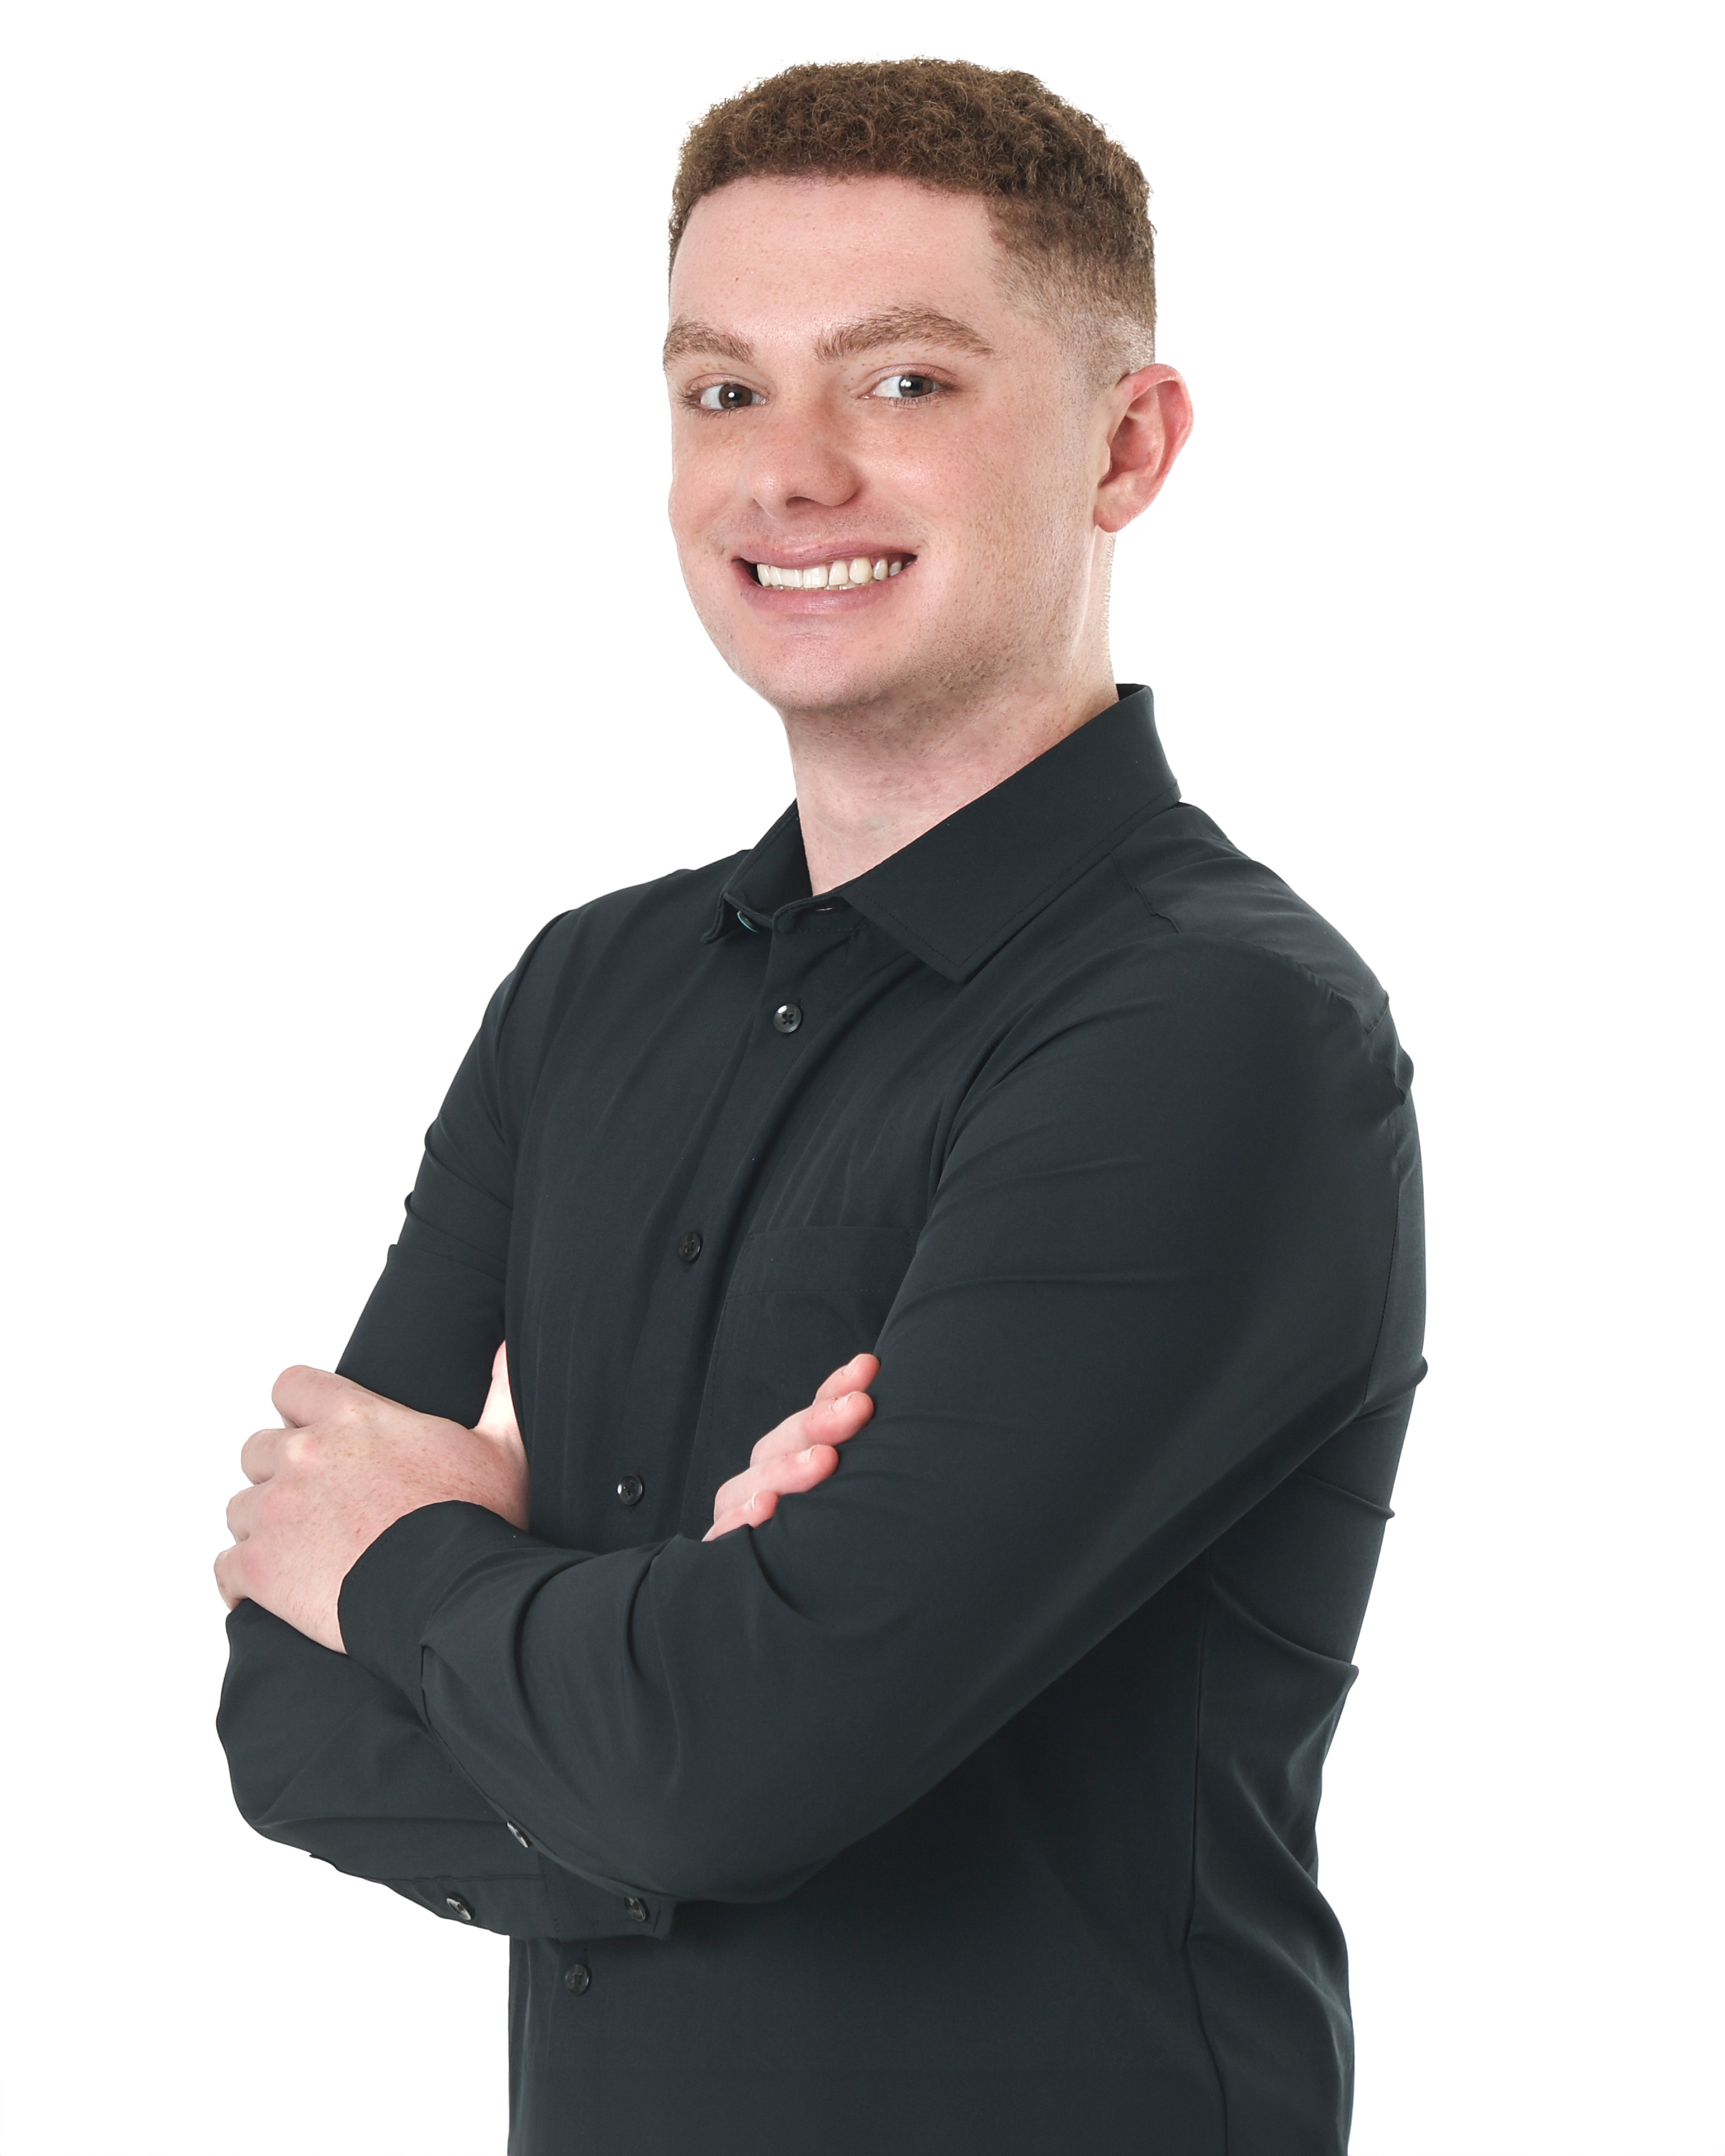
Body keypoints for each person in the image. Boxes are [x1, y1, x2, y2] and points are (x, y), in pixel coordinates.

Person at [216, 56, 1425, 2156]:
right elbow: (291, 1728)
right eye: (722, 391)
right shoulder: (586, 992)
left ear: (1126, 443)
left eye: (904, 383)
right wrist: (661, 1664)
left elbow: (707, 1756)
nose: (788, 474)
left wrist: (414, 1564)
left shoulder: (1214, 1033)